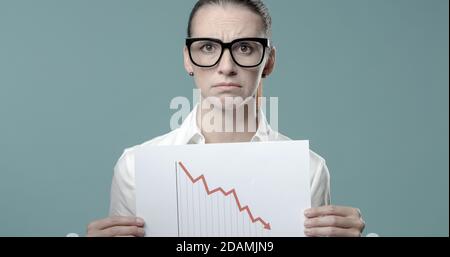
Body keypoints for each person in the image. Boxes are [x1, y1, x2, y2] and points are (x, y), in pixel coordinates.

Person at [87, 0, 365, 237]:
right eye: (208, 47)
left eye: (244, 48)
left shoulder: (309, 170)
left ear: (268, 61)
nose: (226, 67)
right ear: (188, 59)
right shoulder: (135, 167)